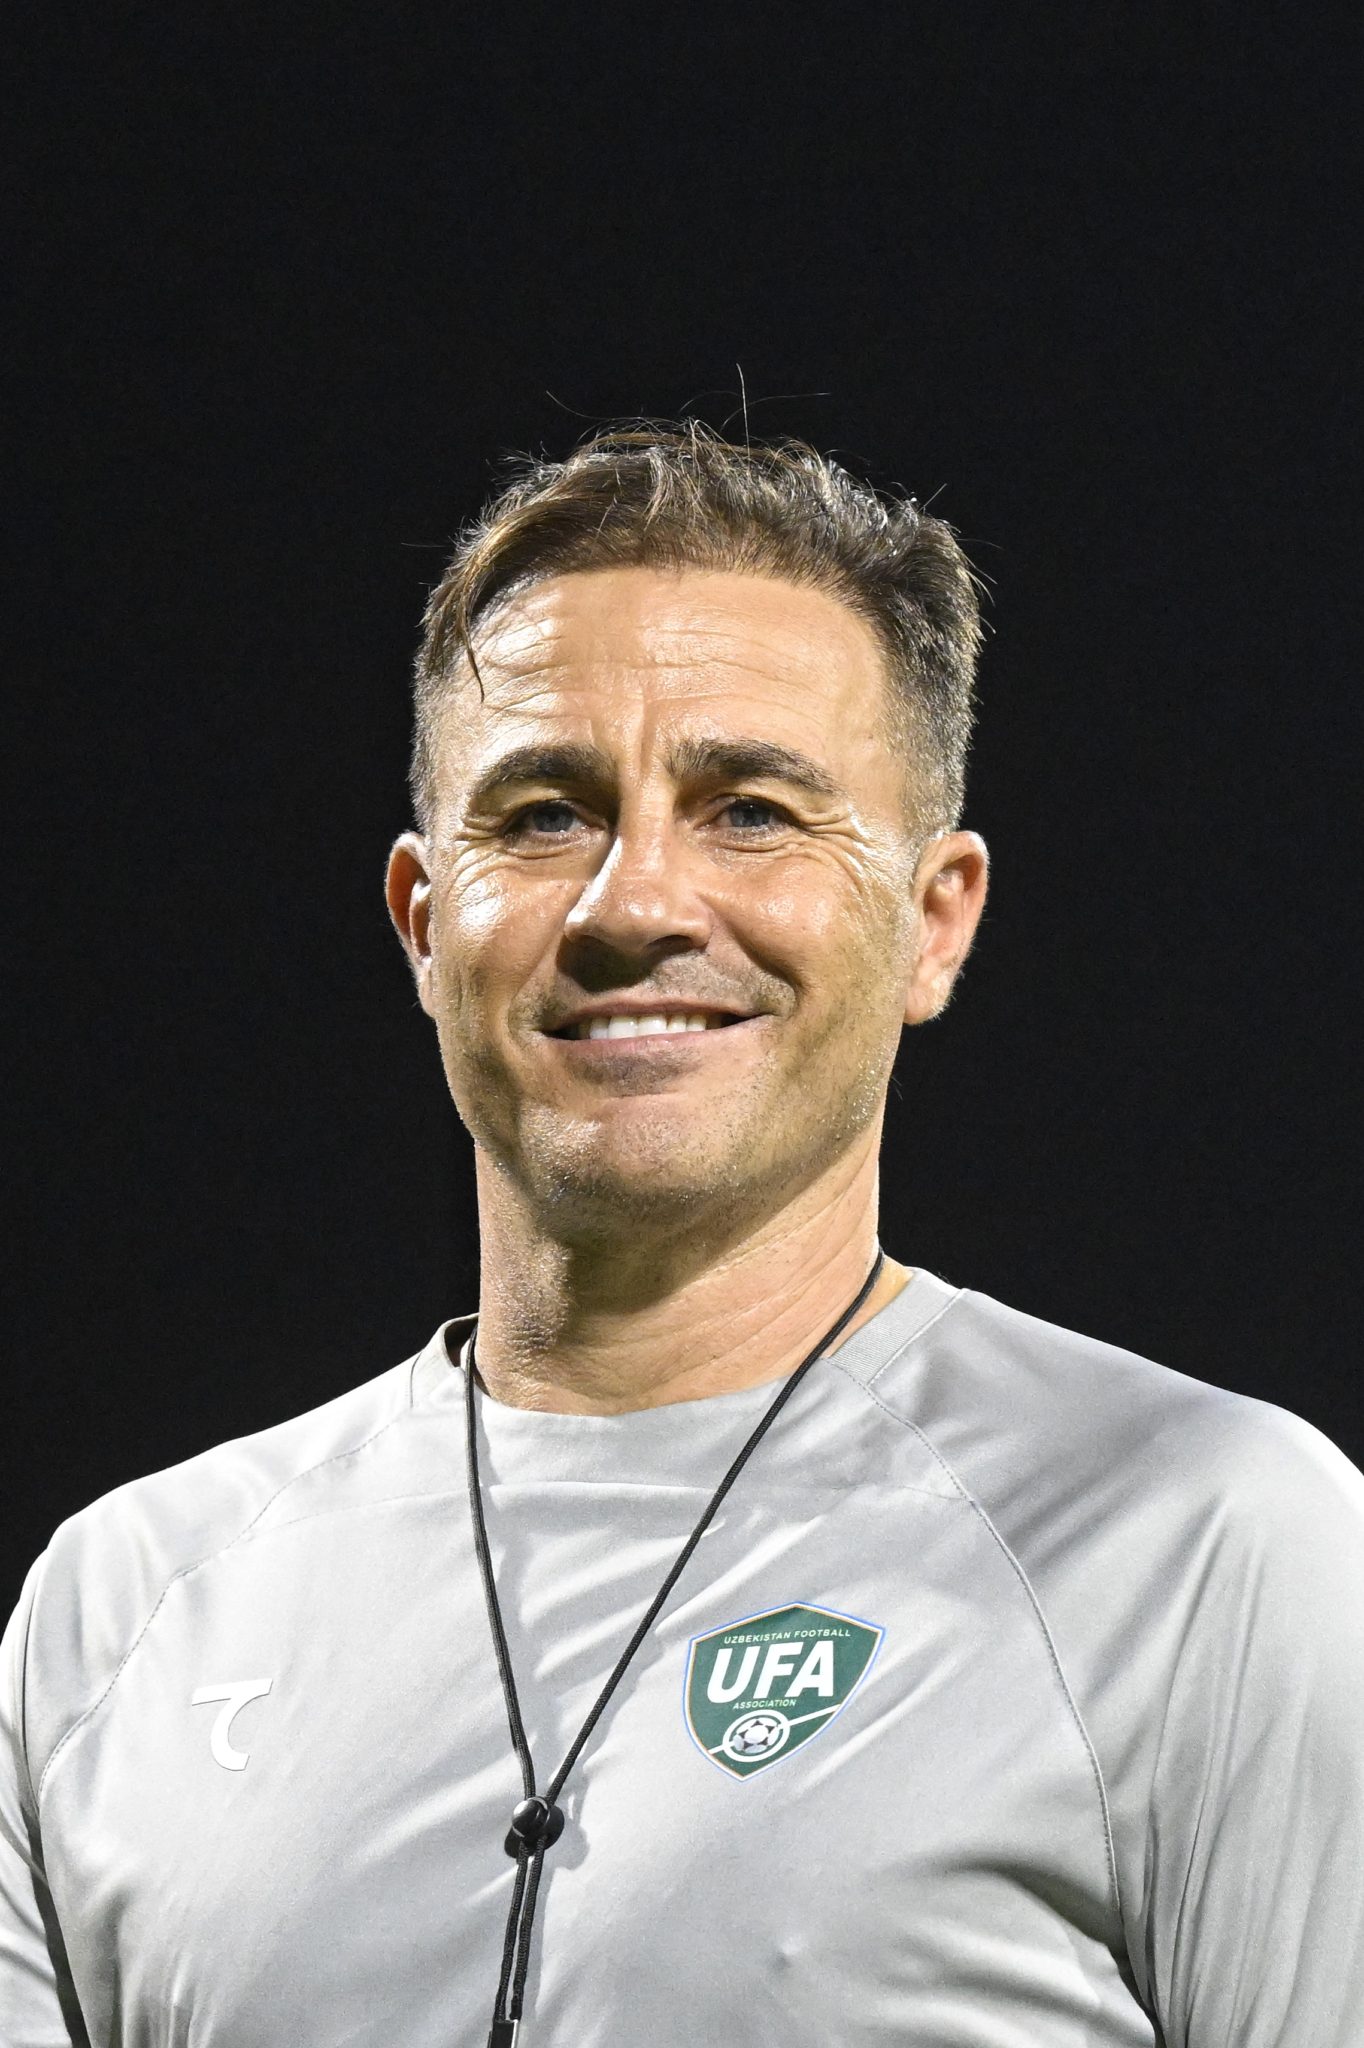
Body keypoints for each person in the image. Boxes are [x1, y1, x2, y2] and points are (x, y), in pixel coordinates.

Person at [3, 424, 1362, 2048]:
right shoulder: (124, 1610)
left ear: (934, 922)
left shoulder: (1207, 1546)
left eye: (752, 813)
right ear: (425, 925)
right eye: (543, 814)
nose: (633, 904)